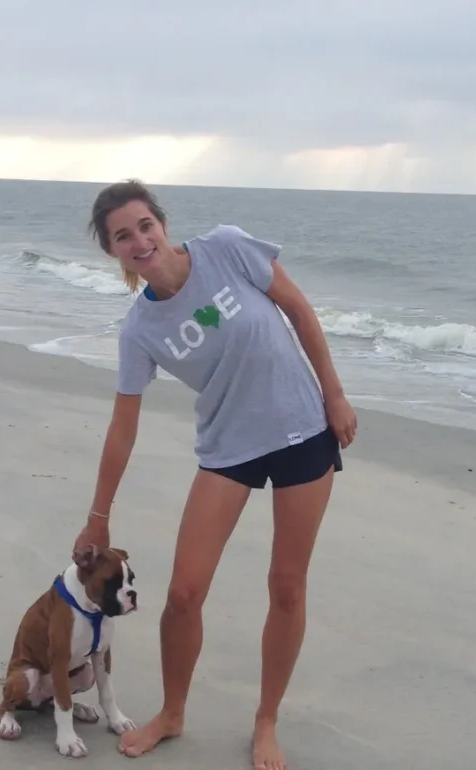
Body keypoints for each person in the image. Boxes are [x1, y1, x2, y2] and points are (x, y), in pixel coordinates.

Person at [72, 179, 357, 770]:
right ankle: (173, 714)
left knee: (287, 586)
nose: (139, 240)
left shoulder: (227, 249)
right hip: (229, 450)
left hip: (304, 430)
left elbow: (300, 311)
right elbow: (123, 428)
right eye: (123, 236)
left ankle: (266, 721)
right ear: (113, 252)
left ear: (162, 224)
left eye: (144, 225)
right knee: (183, 593)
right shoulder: (140, 331)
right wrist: (98, 513)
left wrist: (334, 394)